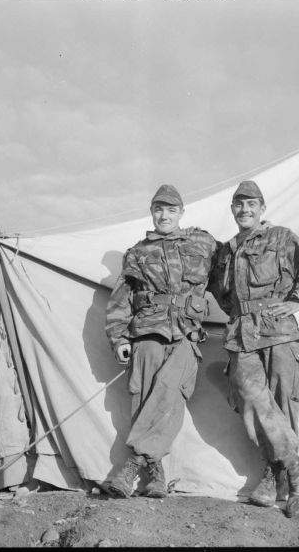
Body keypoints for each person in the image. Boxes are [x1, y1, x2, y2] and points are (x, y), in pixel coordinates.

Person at [208, 180, 299, 517]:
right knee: (250, 399)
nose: (244, 210)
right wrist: (239, 311)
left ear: (262, 208)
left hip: (278, 332)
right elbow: (221, 292)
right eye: (239, 205)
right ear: (232, 210)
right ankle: (296, 466)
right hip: (241, 333)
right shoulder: (226, 250)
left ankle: (276, 478)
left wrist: (296, 301)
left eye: (251, 204)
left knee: (282, 402)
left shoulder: (281, 237)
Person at [102, 184, 217, 499]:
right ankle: (155, 474)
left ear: (182, 212)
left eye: (171, 210)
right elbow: (120, 301)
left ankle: (132, 465)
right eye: (158, 209)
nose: (164, 215)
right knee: (144, 400)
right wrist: (118, 337)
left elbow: (231, 276)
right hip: (146, 333)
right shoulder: (137, 253)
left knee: (169, 393)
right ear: (152, 213)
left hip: (186, 333)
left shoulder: (203, 243)